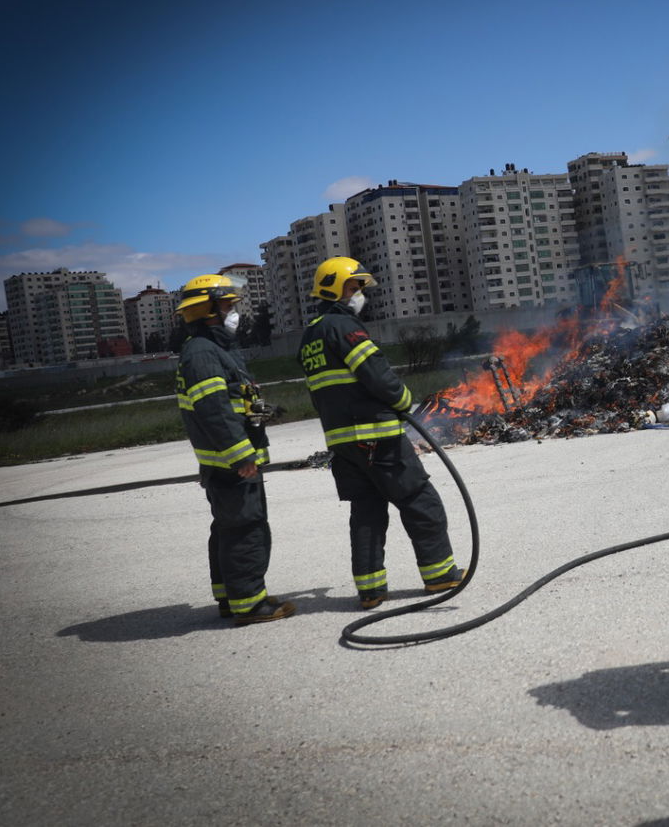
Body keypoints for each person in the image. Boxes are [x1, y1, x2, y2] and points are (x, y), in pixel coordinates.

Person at [299, 257, 463, 608]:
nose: (359, 294)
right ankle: (440, 574)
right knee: (420, 499)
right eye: (353, 287)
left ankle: (371, 590)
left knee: (367, 512)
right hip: (377, 434)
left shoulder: (310, 336)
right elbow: (376, 373)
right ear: (333, 288)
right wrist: (405, 401)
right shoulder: (345, 328)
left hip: (343, 442)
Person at [174, 274, 295, 626]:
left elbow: (226, 403)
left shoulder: (212, 350)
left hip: (222, 461)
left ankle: (230, 596)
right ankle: (249, 604)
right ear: (207, 311)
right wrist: (242, 454)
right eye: (227, 306)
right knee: (246, 527)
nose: (233, 314)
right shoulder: (203, 353)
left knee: (228, 527)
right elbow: (213, 410)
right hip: (232, 463)